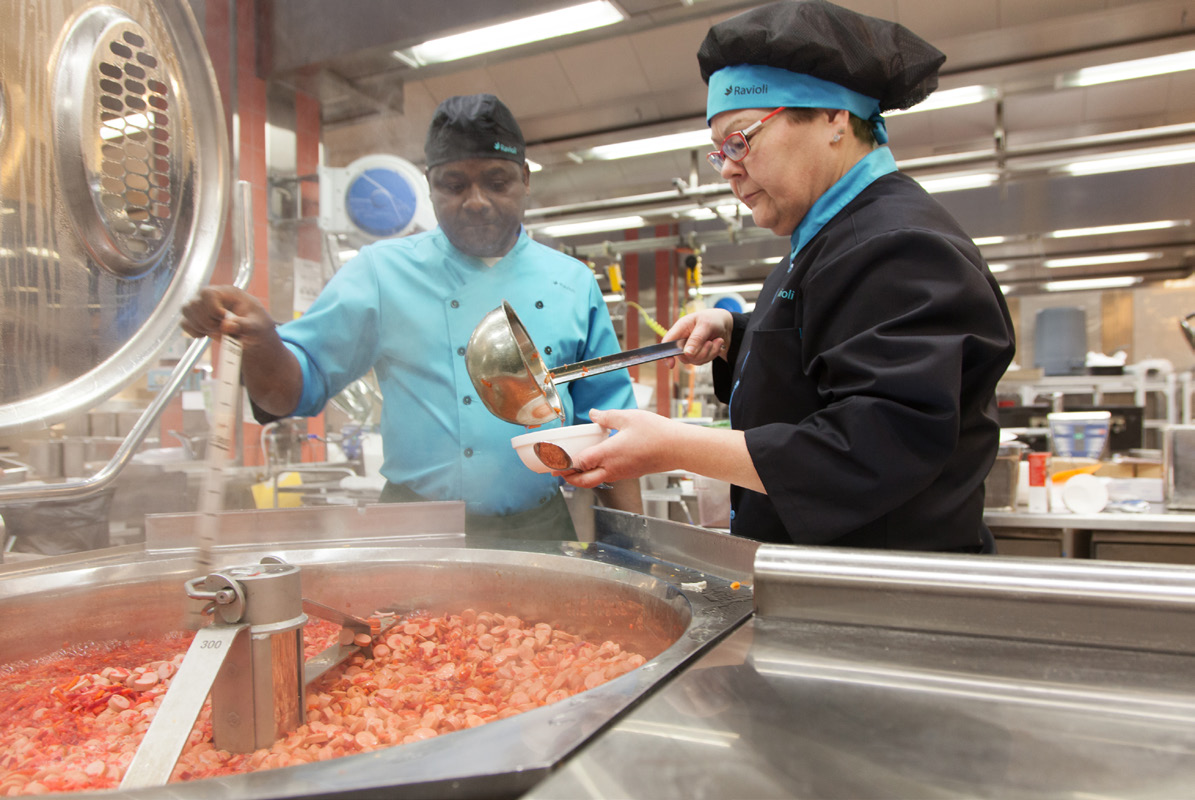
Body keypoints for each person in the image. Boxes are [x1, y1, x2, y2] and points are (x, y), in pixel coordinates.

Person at [560, 1, 1015, 553]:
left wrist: (677, 446)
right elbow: (829, 352)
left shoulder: (900, 245)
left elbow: (873, 448)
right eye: (718, 152)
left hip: (883, 598)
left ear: (833, 119)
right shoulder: (824, 241)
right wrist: (737, 334)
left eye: (739, 139)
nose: (727, 167)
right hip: (822, 587)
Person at [182, 93, 642, 540]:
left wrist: (639, 550)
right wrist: (261, 340)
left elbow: (614, 431)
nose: (476, 200)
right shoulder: (381, 273)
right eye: (454, 184)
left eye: (497, 182)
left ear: (525, 178)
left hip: (536, 526)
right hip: (411, 528)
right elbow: (289, 393)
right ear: (429, 185)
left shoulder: (571, 283)